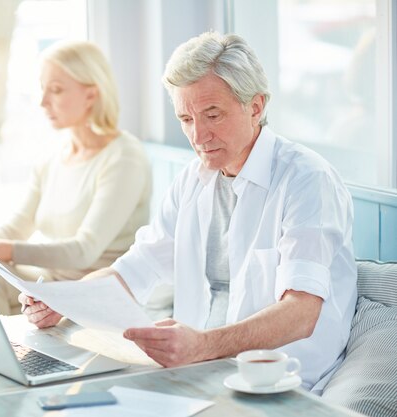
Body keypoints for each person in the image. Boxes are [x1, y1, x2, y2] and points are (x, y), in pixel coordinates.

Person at [20, 31, 357, 393]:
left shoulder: (307, 180)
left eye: (213, 115)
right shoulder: (193, 181)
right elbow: (136, 269)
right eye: (186, 119)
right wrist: (67, 301)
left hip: (282, 383)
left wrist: (205, 345)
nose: (199, 136)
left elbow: (302, 312)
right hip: (198, 374)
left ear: (256, 107)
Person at [0, 40, 152, 315]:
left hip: (95, 296)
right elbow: (15, 231)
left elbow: (83, 251)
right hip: (51, 285)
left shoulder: (124, 157)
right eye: (43, 88)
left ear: (91, 95)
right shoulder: (53, 158)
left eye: (56, 90)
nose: (43, 102)